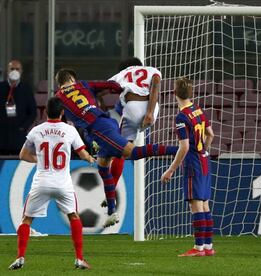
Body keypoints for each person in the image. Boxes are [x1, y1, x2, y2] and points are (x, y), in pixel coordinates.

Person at [54, 68, 178, 228]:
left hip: (99, 128)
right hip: (101, 125)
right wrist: (124, 89)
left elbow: (57, 117)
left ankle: (179, 150)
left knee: (132, 152)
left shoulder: (58, 98)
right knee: (103, 166)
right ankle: (112, 212)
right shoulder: (83, 85)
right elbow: (110, 85)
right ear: (72, 78)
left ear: (59, 84)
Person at [8, 97, 95, 270]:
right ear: (63, 112)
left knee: (26, 220)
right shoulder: (69, 130)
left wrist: (40, 161)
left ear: (46, 112)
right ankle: (79, 259)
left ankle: (20, 258)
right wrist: (92, 159)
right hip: (63, 183)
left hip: (41, 182)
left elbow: (22, 155)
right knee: (74, 216)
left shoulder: (36, 130)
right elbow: (83, 154)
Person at [161, 77, 215, 257]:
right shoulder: (198, 109)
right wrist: (204, 150)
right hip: (204, 159)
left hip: (193, 161)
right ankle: (208, 246)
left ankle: (198, 248)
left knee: (196, 205)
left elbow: (184, 147)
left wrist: (170, 170)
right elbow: (210, 134)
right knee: (205, 204)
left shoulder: (182, 117)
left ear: (174, 93)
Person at [100, 57, 162, 208]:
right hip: (153, 110)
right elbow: (155, 84)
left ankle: (111, 191)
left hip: (132, 108)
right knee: (128, 146)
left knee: (121, 151)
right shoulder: (152, 70)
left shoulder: (122, 74)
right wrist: (149, 112)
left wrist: (100, 110)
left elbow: (99, 91)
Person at [0, 59, 37, 155]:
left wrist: (23, 127)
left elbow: (32, 112)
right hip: (2, 135)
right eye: (12, 69)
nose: (14, 71)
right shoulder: (1, 87)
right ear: (7, 71)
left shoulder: (26, 89)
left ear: (21, 71)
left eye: (17, 69)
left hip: (19, 137)